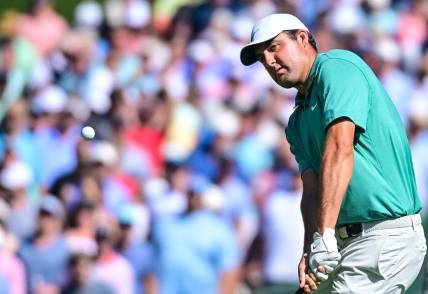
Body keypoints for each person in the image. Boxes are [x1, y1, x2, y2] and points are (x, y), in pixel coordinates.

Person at [240, 13, 427, 293]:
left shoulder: (336, 67)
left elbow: (340, 147)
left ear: (302, 38)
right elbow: (312, 188)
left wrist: (324, 235)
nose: (268, 60)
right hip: (343, 243)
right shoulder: (297, 121)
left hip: (384, 237)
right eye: (261, 55)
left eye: (274, 47)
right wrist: (310, 246)